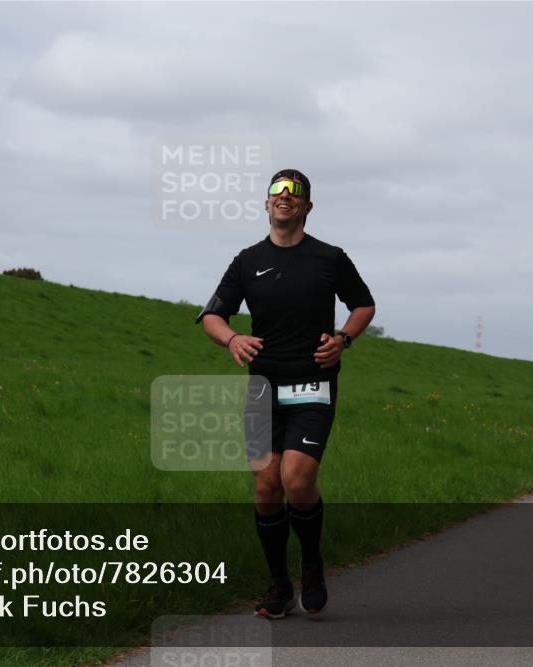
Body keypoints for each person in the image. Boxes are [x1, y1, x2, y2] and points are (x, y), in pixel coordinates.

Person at [196, 169, 376, 618]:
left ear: (307, 206)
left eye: (295, 192)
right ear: (266, 203)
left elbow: (363, 304)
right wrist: (233, 339)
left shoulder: (330, 258)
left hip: (313, 384)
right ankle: (278, 584)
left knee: (297, 478)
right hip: (263, 389)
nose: (285, 196)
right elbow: (212, 315)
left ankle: (311, 562)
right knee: (265, 487)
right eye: (277, 190)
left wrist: (344, 340)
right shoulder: (246, 260)